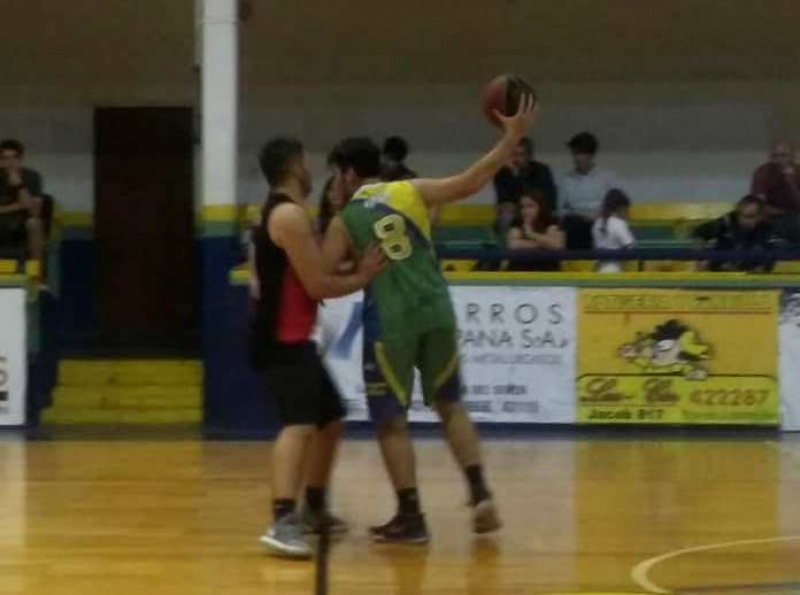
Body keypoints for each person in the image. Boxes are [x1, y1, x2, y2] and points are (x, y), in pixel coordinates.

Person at [322, 95, 537, 544]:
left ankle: (411, 515)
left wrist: (355, 270)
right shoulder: (410, 190)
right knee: (449, 404)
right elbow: (471, 181)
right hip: (437, 308)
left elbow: (322, 274)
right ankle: (479, 493)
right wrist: (510, 138)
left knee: (390, 421)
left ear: (346, 173)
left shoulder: (344, 220)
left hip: (392, 321)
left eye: (334, 175)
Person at [249, 136, 385, 559]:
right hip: (280, 338)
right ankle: (282, 520)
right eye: (306, 163)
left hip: (293, 337)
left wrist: (344, 220)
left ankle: (314, 507)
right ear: (293, 167)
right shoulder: (288, 214)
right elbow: (320, 284)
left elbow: (319, 268)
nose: (312, 172)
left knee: (331, 419)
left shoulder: (287, 212)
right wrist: (363, 275)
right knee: (299, 423)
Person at [559, 132, 621, 249]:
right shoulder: (565, 180)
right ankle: (577, 263)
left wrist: (597, 216)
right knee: (573, 225)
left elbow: (616, 206)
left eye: (580, 153)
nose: (576, 158)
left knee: (605, 226)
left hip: (600, 222)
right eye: (574, 153)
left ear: (591, 155)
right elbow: (561, 212)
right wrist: (581, 216)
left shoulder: (607, 178)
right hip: (575, 225)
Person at [692, 195, 777, 272]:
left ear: (760, 216)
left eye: (751, 217)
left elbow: (770, 258)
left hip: (752, 278)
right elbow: (699, 233)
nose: (745, 221)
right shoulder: (726, 221)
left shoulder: (766, 228)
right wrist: (700, 260)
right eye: (741, 215)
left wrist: (760, 269)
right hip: (720, 274)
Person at [0, 139, 45, 261]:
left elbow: (35, 212)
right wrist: (19, 205)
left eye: (13, 158)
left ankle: (36, 273)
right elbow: (26, 204)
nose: (10, 162)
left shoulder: (32, 176)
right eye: (5, 158)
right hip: (2, 223)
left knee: (34, 223)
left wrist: (19, 185)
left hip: (22, 223)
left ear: (20, 159)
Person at [493, 136, 557, 212]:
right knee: (505, 214)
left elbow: (550, 199)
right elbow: (504, 201)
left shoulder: (541, 170)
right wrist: (515, 175)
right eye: (513, 154)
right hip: (514, 213)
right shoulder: (501, 174)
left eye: (521, 154)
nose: (516, 159)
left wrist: (518, 176)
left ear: (529, 156)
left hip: (538, 212)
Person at [506, 191, 565, 271]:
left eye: (530, 206)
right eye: (522, 207)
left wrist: (531, 234)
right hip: (520, 271)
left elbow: (557, 245)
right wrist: (544, 244)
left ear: (540, 207)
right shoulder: (517, 223)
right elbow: (513, 245)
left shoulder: (551, 222)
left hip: (547, 270)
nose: (525, 210)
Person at [592, 188, 635, 273]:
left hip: (597, 269)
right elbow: (631, 246)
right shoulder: (619, 223)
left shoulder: (597, 223)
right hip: (614, 270)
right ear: (621, 207)